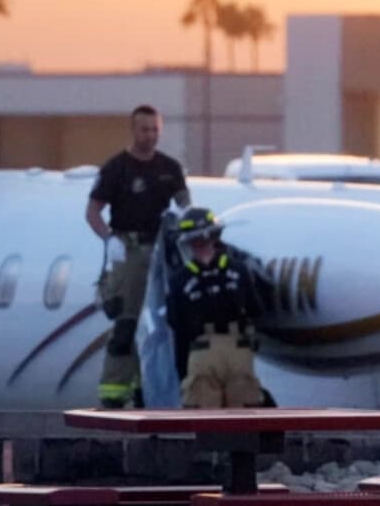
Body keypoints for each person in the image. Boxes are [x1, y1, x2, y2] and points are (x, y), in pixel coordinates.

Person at [86, 105, 190, 408]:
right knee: (126, 322)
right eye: (145, 130)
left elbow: (185, 203)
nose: (151, 136)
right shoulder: (117, 168)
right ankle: (114, 395)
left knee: (162, 325)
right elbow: (92, 211)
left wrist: (185, 218)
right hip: (128, 251)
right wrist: (109, 240)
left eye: (156, 130)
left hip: (160, 252)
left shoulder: (169, 168)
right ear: (133, 130)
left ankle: (151, 391)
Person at [165, 208, 269, 409]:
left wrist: (181, 366)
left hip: (206, 350)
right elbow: (257, 310)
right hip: (236, 347)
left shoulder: (181, 279)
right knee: (238, 409)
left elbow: (176, 323)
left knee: (211, 411)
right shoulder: (239, 270)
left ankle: (225, 441)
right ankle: (236, 441)